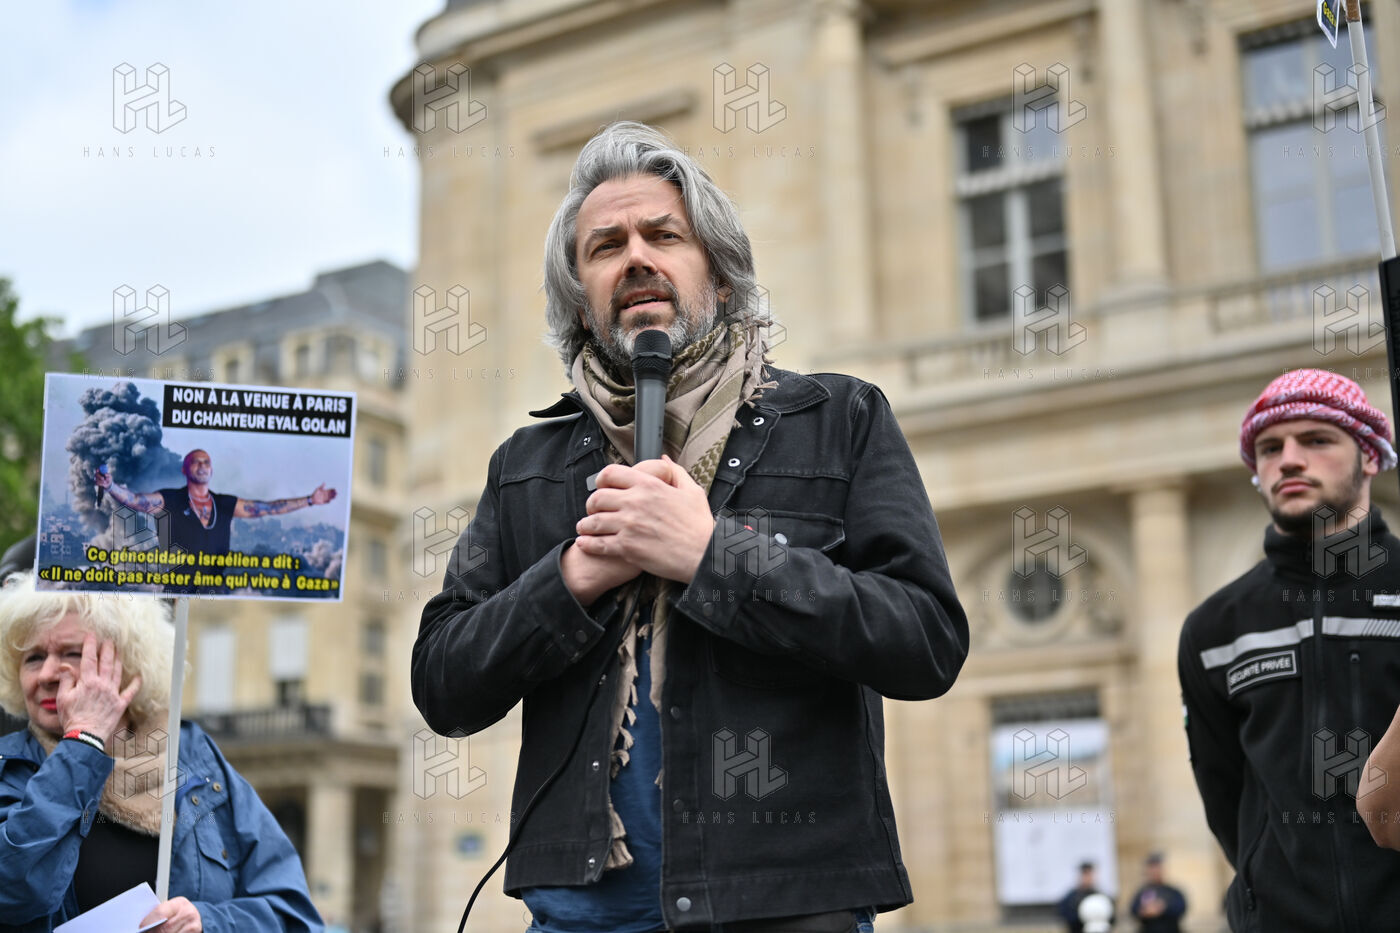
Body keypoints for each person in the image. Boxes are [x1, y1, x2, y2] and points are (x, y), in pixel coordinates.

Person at [412, 121, 969, 932]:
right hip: (582, 916)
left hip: (787, 908)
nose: (636, 257)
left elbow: (925, 639)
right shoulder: (525, 466)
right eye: (605, 246)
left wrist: (713, 556)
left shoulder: (840, 419)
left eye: (663, 235)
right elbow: (442, 684)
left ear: (722, 275)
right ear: (581, 300)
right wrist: (570, 579)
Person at [1178, 369, 1400, 932]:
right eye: (1270, 448)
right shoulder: (1213, 627)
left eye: (1317, 440)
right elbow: (1224, 793)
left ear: (1369, 456)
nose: (1290, 460)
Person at [0, 573, 323, 932]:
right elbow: (12, 891)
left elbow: (295, 917)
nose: (46, 673)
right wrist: (83, 741)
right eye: (33, 658)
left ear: (129, 664)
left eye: (73, 653)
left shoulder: (194, 757)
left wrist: (207, 923)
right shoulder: (7, 769)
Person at [95, 449, 337, 556]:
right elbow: (136, 501)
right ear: (185, 469)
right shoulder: (171, 498)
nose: (202, 466)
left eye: (207, 462)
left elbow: (267, 508)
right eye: (196, 462)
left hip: (215, 589)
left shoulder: (224, 503)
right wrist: (110, 486)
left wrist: (309, 500)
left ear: (211, 471)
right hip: (178, 587)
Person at [1126, 853, 1185, 933]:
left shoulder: (1172, 891)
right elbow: (1133, 910)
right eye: (1152, 869)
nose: (1155, 872)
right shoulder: (1142, 891)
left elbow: (1181, 907)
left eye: (1157, 868)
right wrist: (1144, 911)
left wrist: (1163, 908)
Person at [1057, 862, 1111, 933]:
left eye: (1090, 874)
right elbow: (1064, 913)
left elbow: (1112, 917)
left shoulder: (1101, 896)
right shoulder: (1072, 897)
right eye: (1085, 874)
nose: (1088, 878)